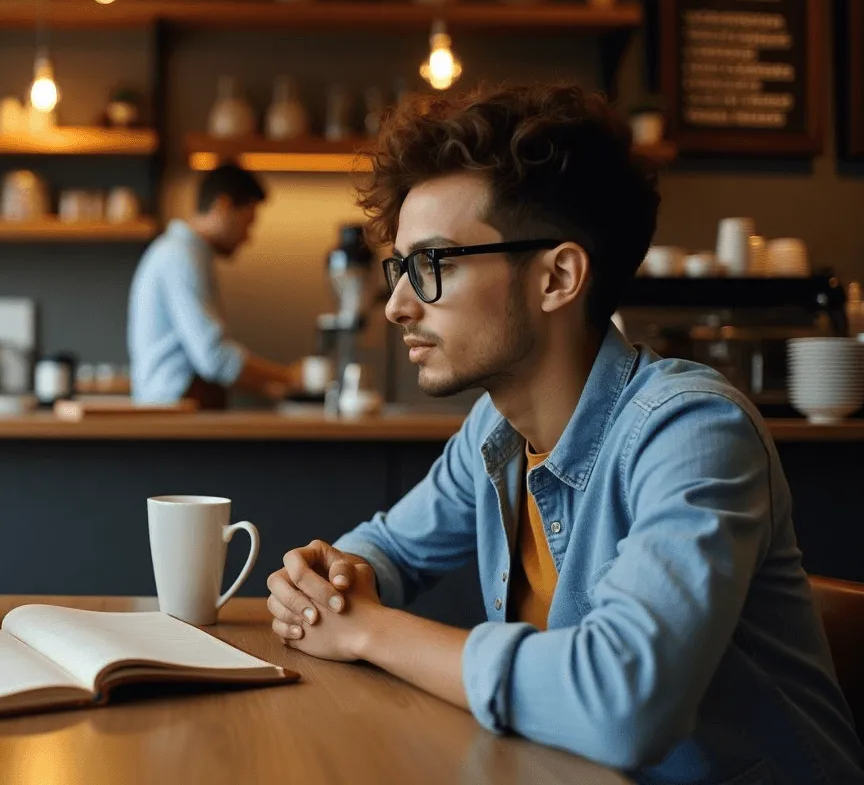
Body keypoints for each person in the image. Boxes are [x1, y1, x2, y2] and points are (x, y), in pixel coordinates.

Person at [265, 85, 864, 783]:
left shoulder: (694, 431)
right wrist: (334, 578)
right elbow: (389, 547)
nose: (396, 304)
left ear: (558, 277)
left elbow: (624, 701)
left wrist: (364, 627)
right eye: (399, 268)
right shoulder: (496, 430)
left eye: (432, 265)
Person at [128, 163, 299, 408]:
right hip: (175, 414)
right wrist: (290, 377)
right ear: (223, 206)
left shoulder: (183, 254)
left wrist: (272, 385)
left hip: (175, 410)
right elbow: (214, 358)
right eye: (247, 223)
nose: (247, 237)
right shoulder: (180, 257)